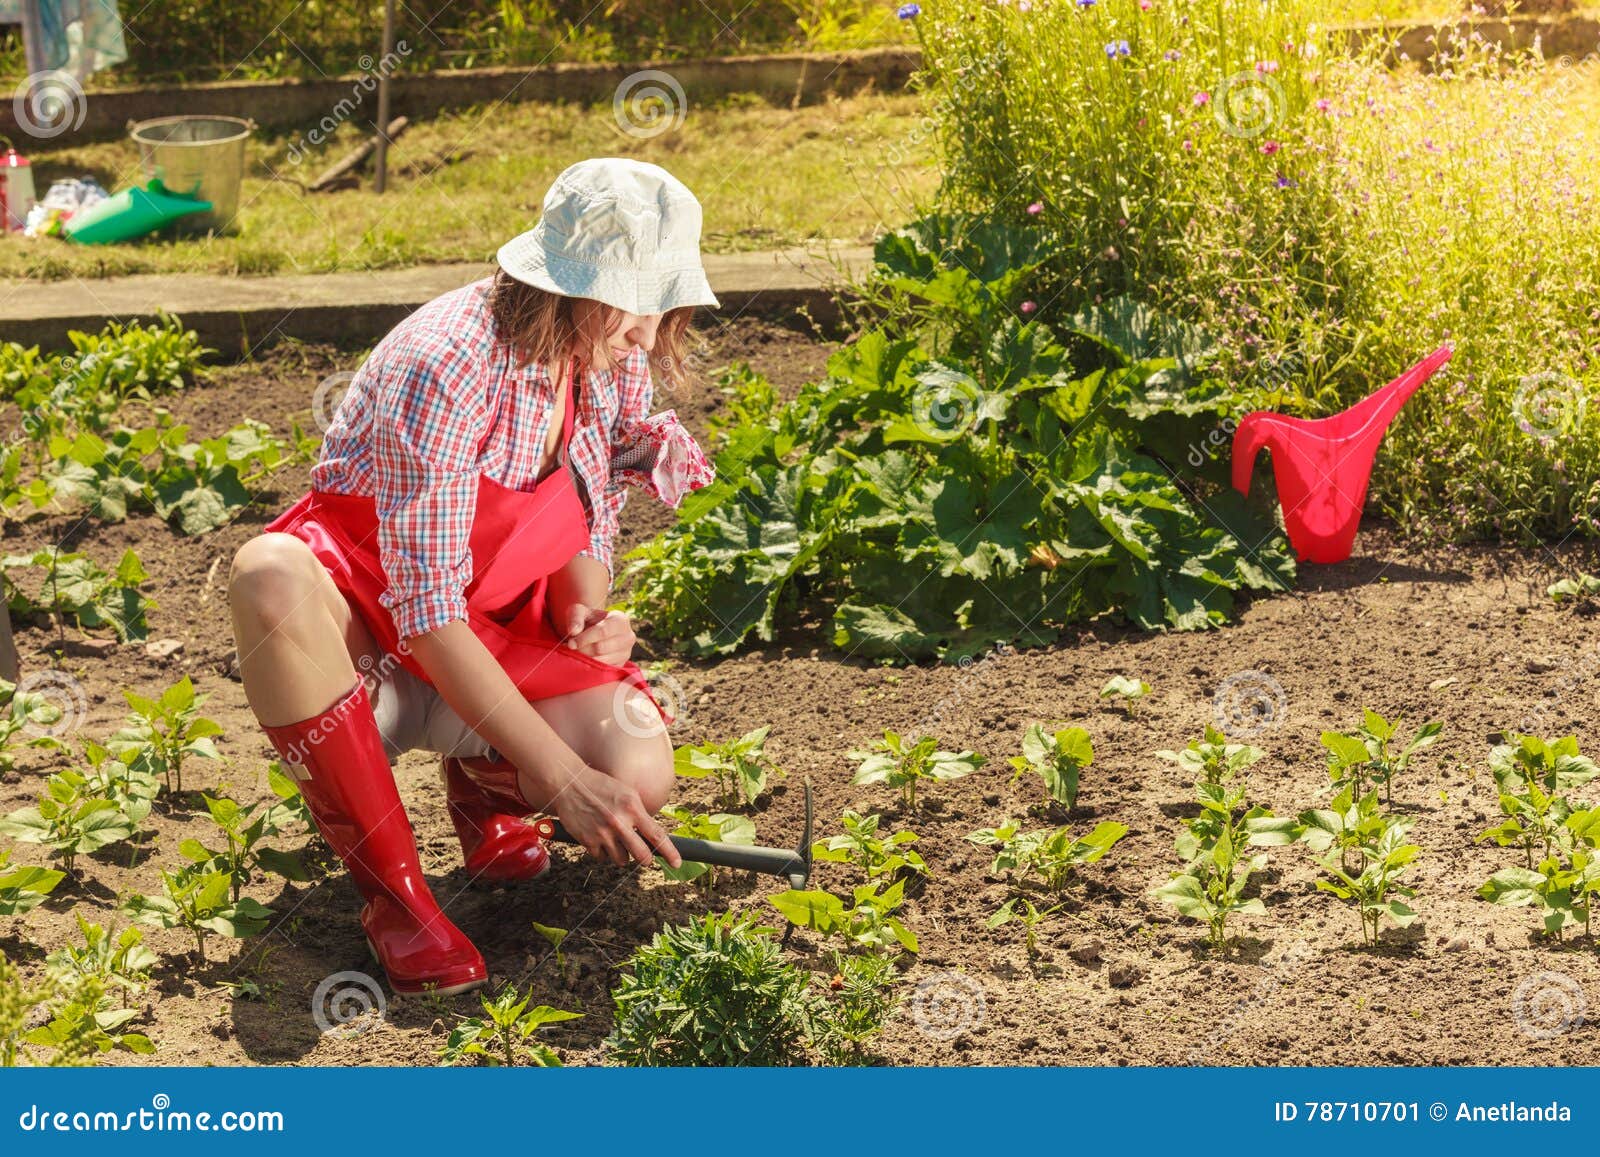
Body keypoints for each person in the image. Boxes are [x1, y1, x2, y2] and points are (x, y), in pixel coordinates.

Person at [227, 158, 718, 995]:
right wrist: (565, 781)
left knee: (637, 766)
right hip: (372, 650)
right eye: (638, 303)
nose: (649, 331)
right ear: (567, 287)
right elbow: (423, 609)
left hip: (488, 636)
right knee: (268, 575)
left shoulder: (603, 350)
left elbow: (586, 504)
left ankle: (485, 793)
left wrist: (589, 614)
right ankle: (396, 899)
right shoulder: (445, 365)